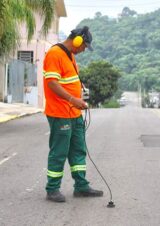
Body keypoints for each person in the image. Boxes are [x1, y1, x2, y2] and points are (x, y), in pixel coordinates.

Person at [43, 26, 103, 202]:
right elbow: (52, 83)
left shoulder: (69, 56)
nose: (84, 50)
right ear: (77, 40)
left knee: (78, 149)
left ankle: (81, 186)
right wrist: (72, 99)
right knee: (59, 151)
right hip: (60, 112)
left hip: (74, 112)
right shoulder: (55, 54)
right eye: (84, 46)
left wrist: (80, 99)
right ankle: (52, 189)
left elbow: (69, 81)